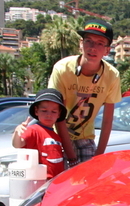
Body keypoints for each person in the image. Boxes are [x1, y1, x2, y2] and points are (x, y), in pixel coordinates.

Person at [48, 19, 122, 165]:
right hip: (56, 135)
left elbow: (107, 120)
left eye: (100, 43)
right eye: (89, 41)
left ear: (107, 50)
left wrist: (99, 157)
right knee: (58, 183)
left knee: (91, 179)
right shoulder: (62, 69)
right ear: (81, 44)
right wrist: (71, 156)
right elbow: (58, 115)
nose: (93, 48)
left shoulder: (112, 75)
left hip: (85, 137)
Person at [12, 88, 67, 179]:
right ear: (36, 111)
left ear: (59, 114)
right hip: (40, 181)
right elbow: (17, 144)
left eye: (54, 111)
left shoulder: (56, 136)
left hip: (55, 180)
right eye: (44, 110)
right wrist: (17, 132)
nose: (49, 115)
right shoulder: (33, 130)